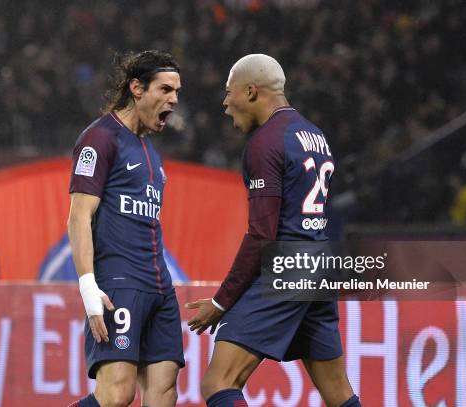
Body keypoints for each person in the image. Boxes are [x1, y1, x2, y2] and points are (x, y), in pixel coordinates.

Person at [186, 54, 361, 407]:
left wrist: (222, 301)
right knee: (339, 394)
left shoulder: (265, 143)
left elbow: (262, 235)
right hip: (320, 263)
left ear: (251, 92)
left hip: (289, 266)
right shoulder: (315, 134)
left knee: (219, 382)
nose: (224, 104)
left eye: (228, 92)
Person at [67, 50, 184, 407]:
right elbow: (78, 217)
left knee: (163, 394)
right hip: (120, 283)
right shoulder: (100, 139)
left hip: (160, 287)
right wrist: (88, 288)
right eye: (165, 89)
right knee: (117, 395)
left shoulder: (151, 151)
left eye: (177, 91)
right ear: (137, 88)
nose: (174, 99)